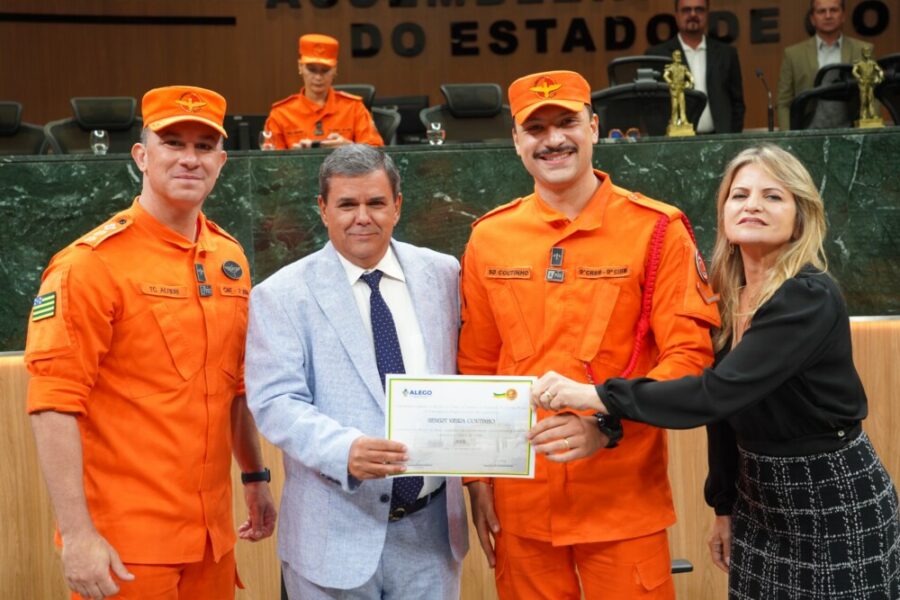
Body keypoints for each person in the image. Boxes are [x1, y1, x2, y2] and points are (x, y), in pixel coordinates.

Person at [531, 144, 900, 599]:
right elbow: (725, 416)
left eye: (773, 196)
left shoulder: (808, 296)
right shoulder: (726, 296)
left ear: (800, 217)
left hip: (832, 499)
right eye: (739, 195)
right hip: (758, 501)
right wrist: (724, 506)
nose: (752, 205)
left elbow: (715, 394)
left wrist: (595, 396)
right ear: (724, 212)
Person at [457, 69, 721, 599]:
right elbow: (477, 366)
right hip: (521, 506)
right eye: (536, 129)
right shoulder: (489, 237)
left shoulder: (657, 230)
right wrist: (477, 480)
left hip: (621, 501)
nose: (553, 139)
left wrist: (605, 423)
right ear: (516, 140)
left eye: (567, 123)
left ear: (594, 128)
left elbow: (690, 362)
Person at [25, 85, 276, 600]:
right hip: (126, 547)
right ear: (141, 155)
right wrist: (77, 536)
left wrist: (255, 478)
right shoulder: (90, 265)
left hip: (212, 541)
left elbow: (234, 387)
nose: (190, 158)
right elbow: (53, 404)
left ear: (222, 161)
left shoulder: (229, 258)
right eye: (173, 143)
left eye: (204, 146)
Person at [245, 144, 468, 599]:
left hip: (430, 539)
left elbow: (469, 375)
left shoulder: (444, 274)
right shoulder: (281, 294)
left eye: (376, 202)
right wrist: (343, 449)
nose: (362, 217)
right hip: (332, 536)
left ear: (397, 206)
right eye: (347, 204)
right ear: (323, 209)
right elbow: (275, 402)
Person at [264, 33, 383, 150]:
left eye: (325, 70)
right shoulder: (281, 114)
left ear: (335, 70)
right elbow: (269, 160)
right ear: (300, 67)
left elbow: (377, 154)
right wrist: (294, 157)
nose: (318, 77)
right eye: (312, 70)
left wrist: (349, 148)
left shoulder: (354, 108)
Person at [646, 0, 745, 134]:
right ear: (676, 15)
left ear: (707, 13)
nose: (693, 14)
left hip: (720, 138)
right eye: (686, 10)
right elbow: (650, 106)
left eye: (699, 10)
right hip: (675, 140)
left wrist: (731, 136)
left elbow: (737, 104)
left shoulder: (727, 54)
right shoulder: (656, 55)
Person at [776, 0, 873, 130]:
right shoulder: (793, 55)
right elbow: (784, 102)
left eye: (834, 10)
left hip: (853, 133)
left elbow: (873, 95)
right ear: (812, 19)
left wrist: (870, 133)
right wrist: (789, 137)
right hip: (807, 134)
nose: (828, 16)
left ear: (843, 15)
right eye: (821, 11)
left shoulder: (863, 50)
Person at [663, 50, 695, 128]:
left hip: (681, 89)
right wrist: (670, 83)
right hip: (674, 89)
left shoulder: (683, 67)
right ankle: (674, 121)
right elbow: (665, 76)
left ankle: (684, 121)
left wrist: (691, 82)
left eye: (679, 55)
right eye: (677, 55)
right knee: (674, 106)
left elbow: (690, 75)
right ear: (673, 57)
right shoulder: (671, 67)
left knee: (682, 106)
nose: (678, 57)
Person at [852, 46, 885, 121]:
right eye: (866, 52)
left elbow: (880, 70)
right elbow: (854, 71)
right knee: (863, 100)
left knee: (871, 99)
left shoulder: (872, 63)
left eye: (869, 52)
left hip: (870, 83)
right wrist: (859, 78)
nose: (867, 53)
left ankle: (872, 115)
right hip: (863, 83)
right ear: (863, 53)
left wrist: (879, 77)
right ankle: (863, 116)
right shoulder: (859, 63)